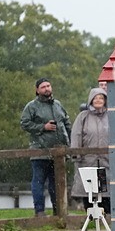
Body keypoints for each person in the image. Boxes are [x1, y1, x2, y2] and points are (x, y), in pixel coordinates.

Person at [19, 77, 71, 217]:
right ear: (37, 90)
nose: (47, 88)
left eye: (48, 85)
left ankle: (58, 211)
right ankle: (40, 211)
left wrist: (70, 143)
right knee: (38, 182)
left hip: (59, 152)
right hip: (40, 151)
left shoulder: (58, 105)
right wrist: (43, 127)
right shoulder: (32, 106)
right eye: (43, 87)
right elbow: (24, 124)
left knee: (57, 183)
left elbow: (67, 123)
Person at [70, 87, 111, 211]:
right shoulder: (83, 116)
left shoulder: (110, 116)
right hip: (87, 159)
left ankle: (107, 217)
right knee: (89, 189)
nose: (98, 100)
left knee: (105, 190)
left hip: (106, 159)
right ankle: (90, 217)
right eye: (95, 98)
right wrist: (76, 153)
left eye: (101, 98)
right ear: (91, 100)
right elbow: (76, 134)